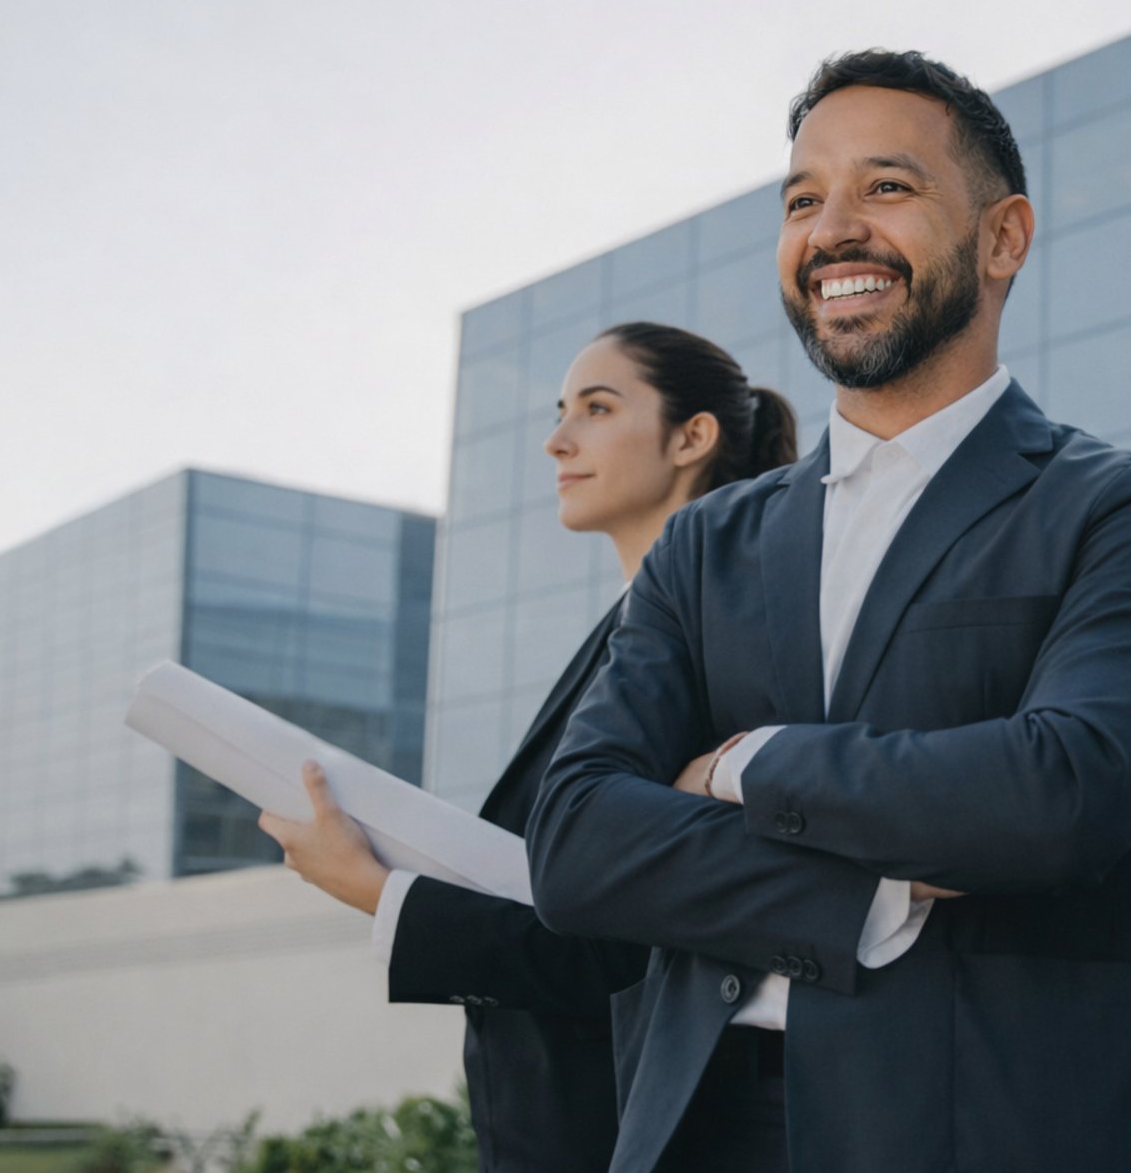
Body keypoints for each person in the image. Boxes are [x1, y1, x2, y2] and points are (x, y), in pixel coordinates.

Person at [526, 49, 1131, 1173]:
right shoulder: (709, 541)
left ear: (1004, 237)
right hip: (700, 1128)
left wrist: (751, 763)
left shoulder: (1123, 504)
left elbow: (1064, 792)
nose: (834, 228)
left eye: (885, 187)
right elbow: (575, 843)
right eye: (805, 199)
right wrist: (876, 881)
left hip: (977, 1129)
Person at [258, 321, 798, 1173]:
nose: (557, 440)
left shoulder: (722, 638)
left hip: (641, 1128)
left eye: (597, 407)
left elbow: (638, 939)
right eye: (560, 412)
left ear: (693, 437)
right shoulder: (623, 635)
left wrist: (382, 891)